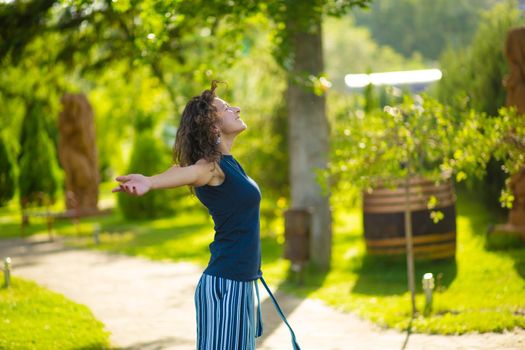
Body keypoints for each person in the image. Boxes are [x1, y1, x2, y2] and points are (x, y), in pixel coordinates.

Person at [112, 81, 301, 350]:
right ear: (212, 125)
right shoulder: (210, 167)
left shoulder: (230, 164)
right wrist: (150, 182)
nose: (236, 108)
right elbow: (185, 172)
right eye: (225, 107)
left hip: (240, 284)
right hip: (226, 286)